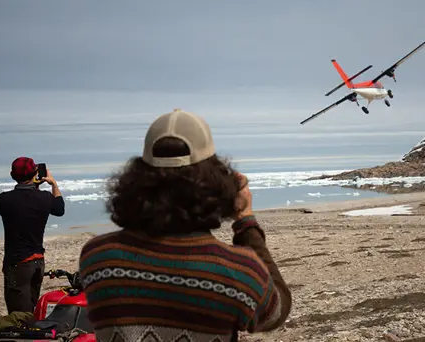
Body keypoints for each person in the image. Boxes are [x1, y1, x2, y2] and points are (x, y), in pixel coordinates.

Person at [78, 109, 292, 342]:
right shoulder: (239, 272)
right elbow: (275, 313)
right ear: (216, 181)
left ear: (136, 179)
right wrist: (245, 221)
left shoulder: (98, 257)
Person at [0, 156, 65, 314]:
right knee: (31, 306)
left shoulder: (4, 199)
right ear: (35, 174)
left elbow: (24, 202)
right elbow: (59, 209)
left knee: (19, 312)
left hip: (17, 262)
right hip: (37, 261)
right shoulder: (45, 198)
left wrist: (34, 186)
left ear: (12, 175)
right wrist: (53, 183)